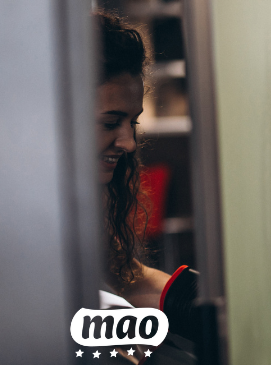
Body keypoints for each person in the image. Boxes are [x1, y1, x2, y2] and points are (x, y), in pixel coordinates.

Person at [95, 12, 199, 341]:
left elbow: (129, 278)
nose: (128, 143)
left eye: (132, 123)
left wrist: (215, 308)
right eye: (110, 123)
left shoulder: (80, 206)